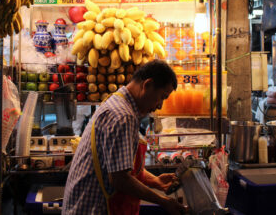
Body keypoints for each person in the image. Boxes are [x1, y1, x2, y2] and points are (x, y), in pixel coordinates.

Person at [62, 60, 185, 215]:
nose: (160, 105)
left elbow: (117, 164)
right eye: (162, 97)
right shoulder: (123, 116)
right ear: (147, 85)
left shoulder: (117, 101)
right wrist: (163, 202)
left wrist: (155, 181)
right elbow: (120, 179)